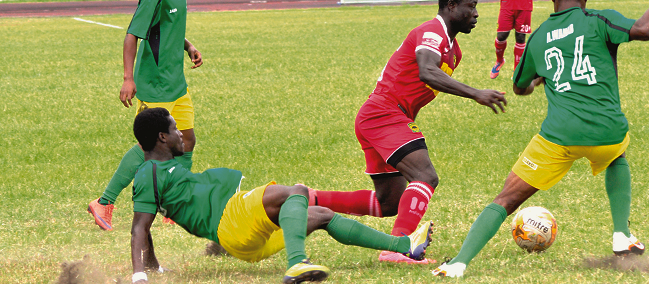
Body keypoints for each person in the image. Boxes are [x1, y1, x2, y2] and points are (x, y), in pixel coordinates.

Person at [432, 0, 649, 278]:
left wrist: (540, 79)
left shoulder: (539, 38)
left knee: (507, 198)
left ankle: (458, 263)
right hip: (608, 132)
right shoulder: (598, 19)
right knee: (616, 153)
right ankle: (621, 234)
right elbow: (645, 29)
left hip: (559, 137)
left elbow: (519, 87)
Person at [306, 0, 507, 265]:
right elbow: (427, 71)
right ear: (451, 6)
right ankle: (399, 248)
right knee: (425, 176)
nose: (476, 13)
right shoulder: (432, 32)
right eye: (470, 6)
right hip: (384, 112)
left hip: (382, 116)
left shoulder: (454, 50)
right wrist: (476, 93)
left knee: (390, 202)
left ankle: (309, 199)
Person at [128, 107, 433, 284]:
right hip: (232, 218)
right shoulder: (148, 174)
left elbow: (154, 221)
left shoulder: (167, 166)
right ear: (162, 138)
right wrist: (139, 276)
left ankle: (404, 245)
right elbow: (141, 226)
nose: (182, 133)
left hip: (242, 242)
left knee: (322, 215)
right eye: (175, 128)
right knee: (296, 192)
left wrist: (154, 266)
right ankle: (297, 263)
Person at [86, 0, 204, 232]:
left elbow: (171, 28)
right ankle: (104, 202)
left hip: (177, 83)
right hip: (155, 86)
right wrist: (128, 78)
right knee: (148, 146)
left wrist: (188, 46)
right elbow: (132, 35)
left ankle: (175, 202)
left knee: (186, 140)